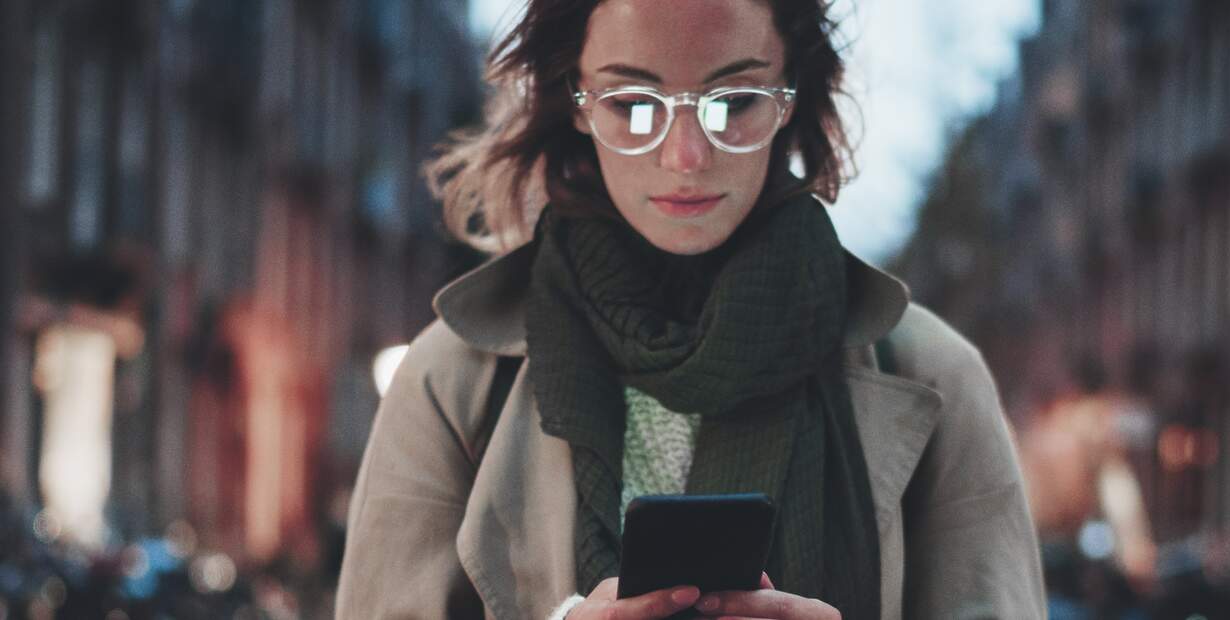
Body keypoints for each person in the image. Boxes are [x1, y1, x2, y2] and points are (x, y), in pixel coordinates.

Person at [334, 0, 1045, 618]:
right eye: (633, 104)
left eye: (732, 102)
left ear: (788, 98)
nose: (685, 155)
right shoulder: (451, 382)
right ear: (576, 101)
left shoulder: (937, 376)